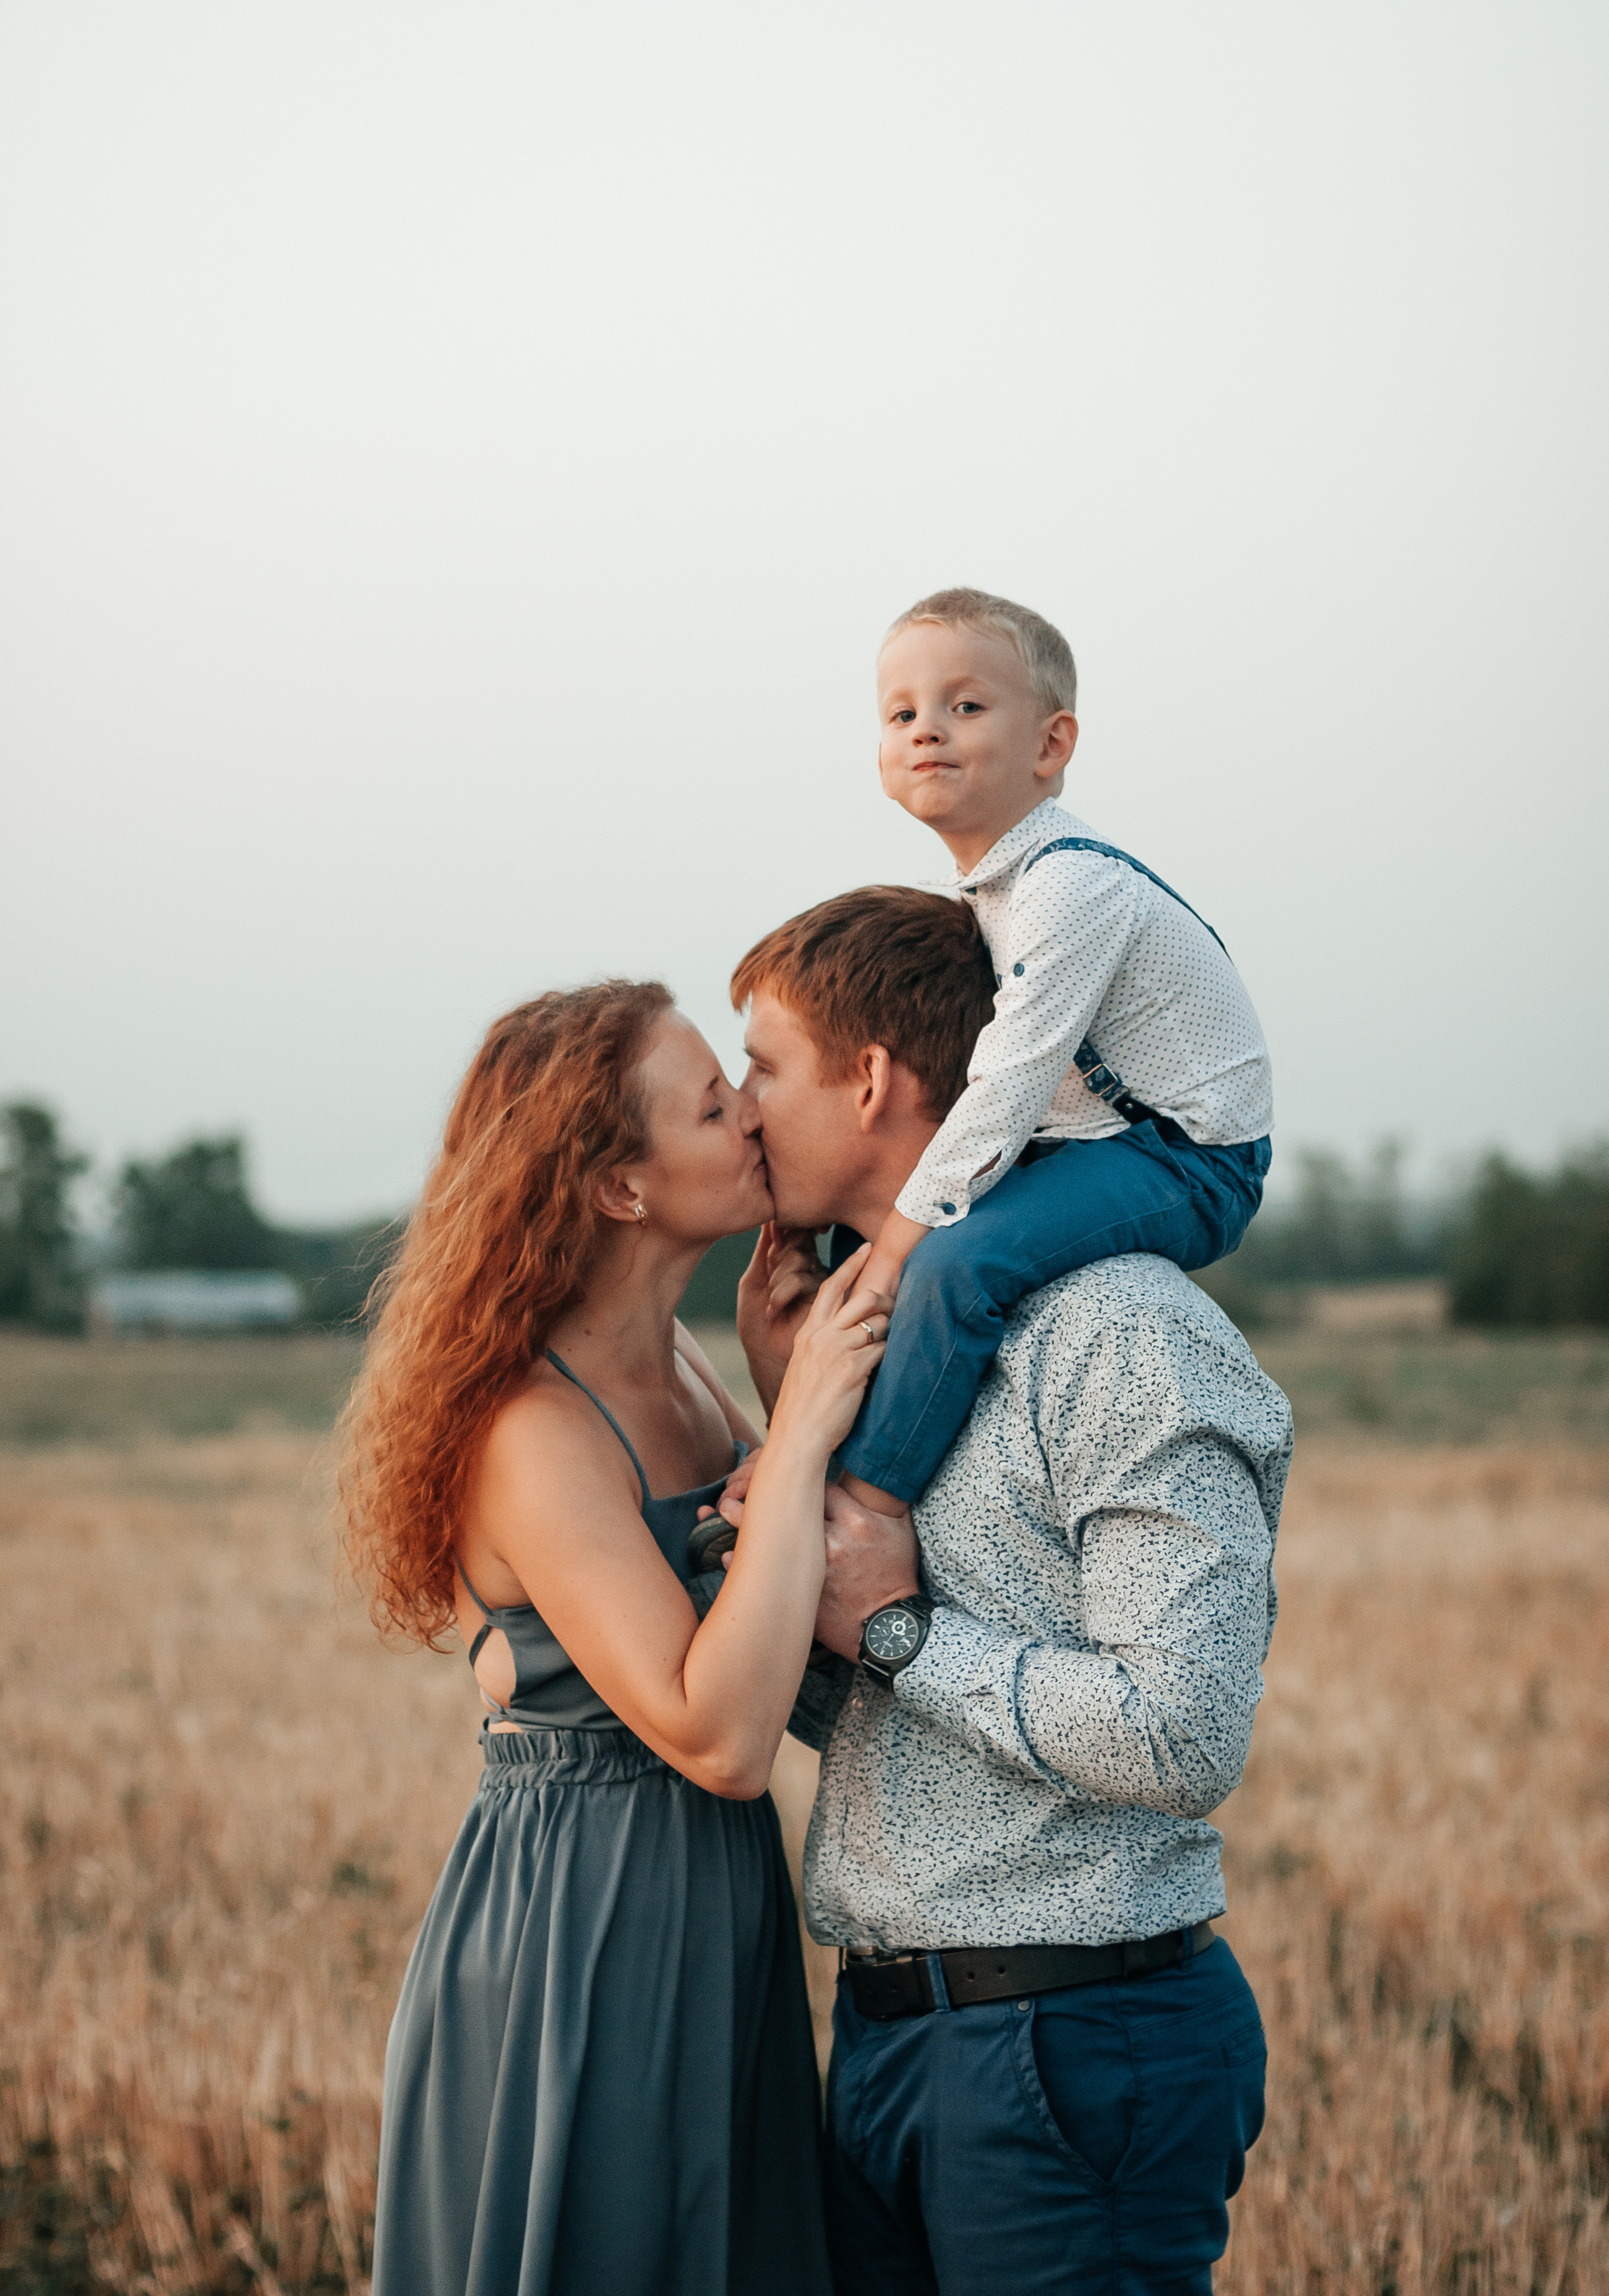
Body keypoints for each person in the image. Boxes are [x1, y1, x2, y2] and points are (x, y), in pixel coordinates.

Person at [722, 886, 1293, 2295]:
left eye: (761, 1067)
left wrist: (900, 1630)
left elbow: (1181, 1734)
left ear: (870, 1083)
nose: (739, 1109)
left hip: (1066, 2047)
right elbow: (846, 1711)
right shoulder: (861, 1344)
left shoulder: (1121, 1332)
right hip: (882, 2037)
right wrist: (782, 1440)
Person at [340, 980, 887, 2296]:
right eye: (712, 1103)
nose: (754, 1114)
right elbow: (716, 1733)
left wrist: (767, 1395)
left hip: (711, 1897)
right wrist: (804, 1427)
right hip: (584, 1919)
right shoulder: (532, 1430)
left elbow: (783, 1614)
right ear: (618, 1188)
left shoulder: (688, 1371)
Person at [831, 585, 1275, 1514]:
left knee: (957, 1263)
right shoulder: (992, 890)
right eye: (901, 713)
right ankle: (807, 1437)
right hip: (1095, 1138)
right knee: (859, 1224)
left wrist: (901, 1249)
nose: (927, 730)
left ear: (1050, 746)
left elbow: (1009, 1084)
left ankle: (866, 1504)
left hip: (1186, 1155)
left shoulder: (1068, 884)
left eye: (966, 705)